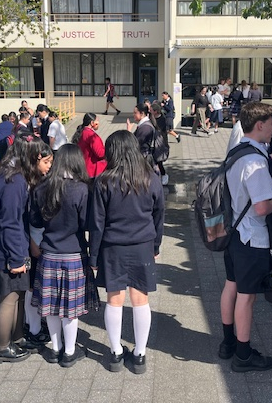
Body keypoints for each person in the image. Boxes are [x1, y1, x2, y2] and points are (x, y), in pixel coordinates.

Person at [89, 130, 165, 374]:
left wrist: (93, 256)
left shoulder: (103, 181)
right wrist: (156, 245)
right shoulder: (151, 178)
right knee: (141, 299)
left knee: (114, 299)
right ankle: (140, 354)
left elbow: (97, 223)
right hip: (143, 245)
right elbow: (159, 215)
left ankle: (115, 353)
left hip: (112, 247)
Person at [218, 101, 272, 373]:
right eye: (271, 125)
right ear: (259, 124)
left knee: (231, 286)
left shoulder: (236, 151)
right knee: (246, 296)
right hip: (252, 236)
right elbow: (260, 207)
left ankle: (228, 343)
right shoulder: (255, 160)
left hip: (233, 231)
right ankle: (243, 355)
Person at [0, 136, 52, 363]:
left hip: (9, 246)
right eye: (44, 160)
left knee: (19, 294)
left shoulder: (11, 175)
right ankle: (2, 347)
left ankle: (17, 337)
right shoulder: (14, 182)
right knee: (10, 296)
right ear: (33, 157)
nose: (47, 166)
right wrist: (16, 258)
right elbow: (10, 223)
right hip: (7, 250)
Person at [30, 144, 91, 367]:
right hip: (74, 253)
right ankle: (69, 352)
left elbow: (35, 221)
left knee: (51, 307)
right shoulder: (81, 189)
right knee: (70, 309)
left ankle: (55, 349)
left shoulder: (41, 187)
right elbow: (86, 223)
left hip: (48, 254)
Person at [73, 113, 107, 178]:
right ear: (92, 123)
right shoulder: (91, 135)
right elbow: (100, 153)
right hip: (93, 169)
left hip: (83, 167)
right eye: (97, 121)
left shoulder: (81, 132)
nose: (99, 123)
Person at [151, 102, 170, 185]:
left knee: (159, 161)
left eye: (151, 110)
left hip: (161, 143)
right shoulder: (151, 118)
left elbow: (158, 130)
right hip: (153, 142)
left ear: (155, 111)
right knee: (153, 161)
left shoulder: (162, 119)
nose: (150, 112)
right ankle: (155, 176)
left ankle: (164, 175)